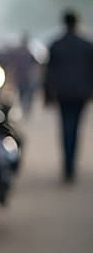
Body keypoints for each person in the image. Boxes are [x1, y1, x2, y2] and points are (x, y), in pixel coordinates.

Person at [43, 10, 93, 182]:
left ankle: (67, 164)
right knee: (76, 128)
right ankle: (71, 164)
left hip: (63, 93)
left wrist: (47, 94)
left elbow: (48, 72)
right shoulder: (86, 45)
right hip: (81, 93)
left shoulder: (56, 44)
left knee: (66, 127)